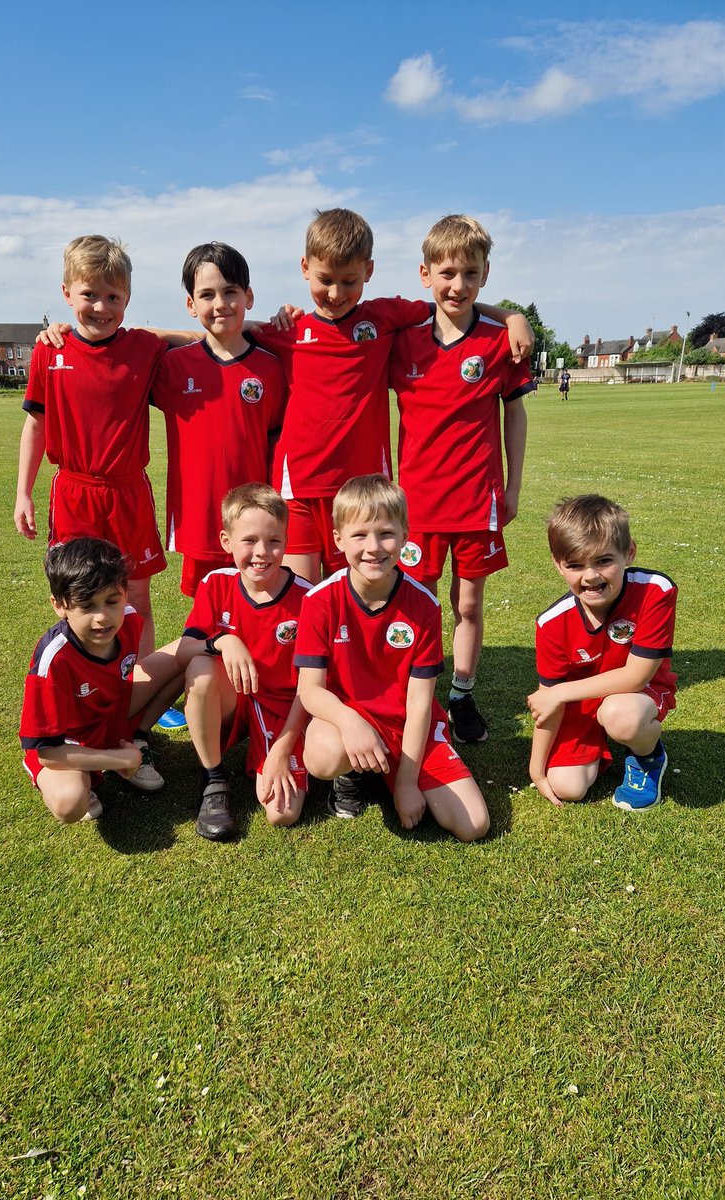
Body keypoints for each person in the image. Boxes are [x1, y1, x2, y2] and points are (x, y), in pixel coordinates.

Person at [254, 208, 535, 583]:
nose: (336, 293)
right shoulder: (289, 331)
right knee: (299, 592)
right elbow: (222, 337)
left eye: (349, 281)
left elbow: (449, 303)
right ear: (305, 267)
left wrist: (512, 317)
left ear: (368, 272)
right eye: (325, 280)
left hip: (362, 490)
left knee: (356, 593)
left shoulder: (385, 317)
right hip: (299, 486)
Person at [389, 214, 534, 745]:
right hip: (416, 507)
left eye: (470, 273)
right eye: (447, 272)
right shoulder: (402, 339)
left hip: (478, 502)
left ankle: (462, 695)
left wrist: (513, 488)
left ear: (485, 275)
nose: (458, 284)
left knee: (468, 605)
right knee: (417, 602)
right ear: (425, 274)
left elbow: (515, 415)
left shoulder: (499, 342)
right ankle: (414, 690)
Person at [295, 475, 489, 841]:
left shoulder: (424, 606)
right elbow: (311, 691)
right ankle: (350, 772)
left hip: (408, 726)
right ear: (338, 539)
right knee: (322, 754)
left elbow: (418, 703)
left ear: (404, 535)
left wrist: (406, 784)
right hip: (349, 720)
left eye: (386, 533)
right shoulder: (320, 600)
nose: (373, 547)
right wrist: (351, 722)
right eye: (359, 535)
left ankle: (387, 772)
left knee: (473, 825)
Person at [14, 235, 167, 661]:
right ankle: (88, 685)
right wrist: (23, 492)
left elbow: (209, 336)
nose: (101, 307)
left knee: (135, 596)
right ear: (66, 294)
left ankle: (139, 690)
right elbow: (35, 425)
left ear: (128, 298)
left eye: (112, 296)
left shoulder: (144, 347)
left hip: (127, 492)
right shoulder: (50, 350)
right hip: (75, 493)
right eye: (89, 295)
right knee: (78, 596)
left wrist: (250, 325)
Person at [19, 538, 189, 824]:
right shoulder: (53, 659)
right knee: (70, 803)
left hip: (111, 717)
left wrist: (224, 641)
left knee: (190, 657)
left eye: (112, 601)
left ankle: (136, 739)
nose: (102, 617)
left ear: (124, 593)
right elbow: (48, 752)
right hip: (69, 742)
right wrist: (121, 761)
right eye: (87, 606)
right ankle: (113, 761)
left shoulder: (130, 621)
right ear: (59, 605)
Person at [150, 242, 287, 598]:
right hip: (199, 517)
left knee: (260, 603)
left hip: (255, 519)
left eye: (230, 292)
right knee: (207, 614)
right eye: (207, 295)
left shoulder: (271, 367)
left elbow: (275, 443)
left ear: (249, 297)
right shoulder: (173, 367)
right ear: (191, 305)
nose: (220, 303)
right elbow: (124, 341)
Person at [527, 494, 677, 812]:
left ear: (629, 552)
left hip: (637, 694)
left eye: (604, 561)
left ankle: (647, 756)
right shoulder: (551, 624)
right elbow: (547, 702)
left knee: (620, 716)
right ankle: (596, 743)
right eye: (575, 565)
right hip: (583, 702)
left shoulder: (655, 590)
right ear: (558, 564)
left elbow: (636, 676)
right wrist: (536, 769)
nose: (591, 576)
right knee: (568, 787)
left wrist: (562, 692)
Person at [177, 484, 311, 840]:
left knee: (282, 813)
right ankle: (214, 779)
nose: (261, 553)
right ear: (226, 541)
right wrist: (223, 640)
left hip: (283, 709)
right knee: (200, 668)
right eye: (249, 540)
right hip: (235, 701)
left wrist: (284, 749)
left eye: (274, 541)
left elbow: (312, 686)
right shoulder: (216, 584)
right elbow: (183, 650)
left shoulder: (309, 599)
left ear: (286, 540)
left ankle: (278, 755)